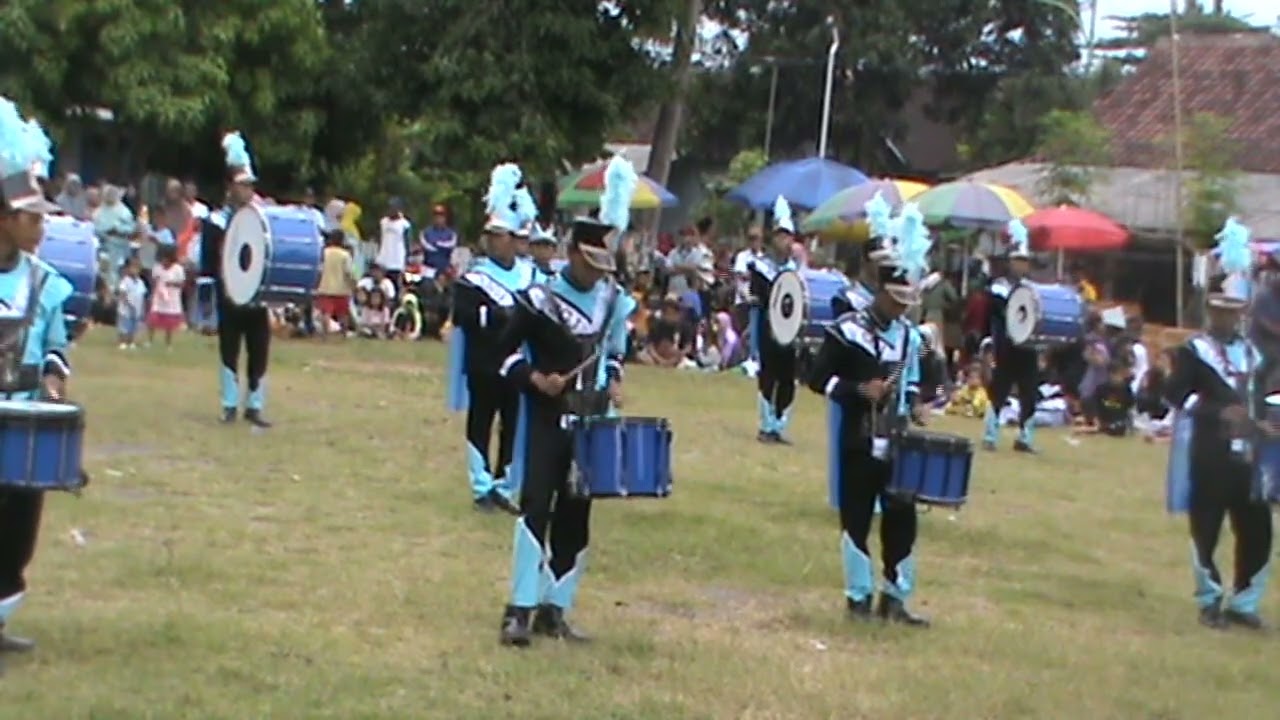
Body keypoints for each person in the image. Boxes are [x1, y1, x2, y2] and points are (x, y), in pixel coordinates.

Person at [493, 214, 633, 646]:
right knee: (537, 505)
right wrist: (536, 379)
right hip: (546, 418)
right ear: (572, 253)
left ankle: (556, 608)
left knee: (578, 514)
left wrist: (613, 379)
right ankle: (519, 608)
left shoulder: (614, 302)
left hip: (590, 419)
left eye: (603, 266)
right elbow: (501, 354)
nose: (597, 274)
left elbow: (612, 354)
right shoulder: (537, 298)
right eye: (590, 263)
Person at [806, 201, 932, 627]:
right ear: (879, 291)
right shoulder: (846, 331)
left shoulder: (910, 338)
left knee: (902, 521)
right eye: (894, 301)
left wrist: (914, 401)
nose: (900, 310)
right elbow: (816, 379)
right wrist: (859, 389)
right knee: (856, 519)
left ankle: (896, 597)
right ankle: (857, 597)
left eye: (905, 303)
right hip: (858, 440)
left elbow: (912, 378)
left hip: (896, 440)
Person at [0, 96, 77, 655]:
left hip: (23, 417)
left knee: (18, 532)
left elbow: (55, 346)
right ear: (5, 218)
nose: (41, 229)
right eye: (32, 219)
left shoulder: (47, 282)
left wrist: (52, 380)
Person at [1164, 271, 1272, 629]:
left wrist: (1265, 419)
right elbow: (1175, 396)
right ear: (1210, 311)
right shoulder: (1193, 351)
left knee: (1258, 528)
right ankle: (1209, 600)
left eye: (1233, 310)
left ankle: (1244, 601)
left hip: (1250, 453)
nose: (1226, 317)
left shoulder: (1254, 354)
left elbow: (1262, 396)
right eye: (1219, 310)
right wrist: (1215, 410)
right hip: (1208, 449)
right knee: (1207, 526)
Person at [447, 166, 535, 514]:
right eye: (491, 235)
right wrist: (493, 316)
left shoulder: (529, 275)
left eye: (501, 235)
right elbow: (463, 317)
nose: (494, 240)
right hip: (484, 364)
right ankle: (481, 484)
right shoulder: (474, 278)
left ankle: (503, 483)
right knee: (480, 424)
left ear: (513, 239)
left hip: (518, 365)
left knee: (513, 426)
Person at [199, 131, 272, 427]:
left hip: (256, 297)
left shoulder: (261, 220)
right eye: (243, 186)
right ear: (230, 187)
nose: (248, 192)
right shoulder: (215, 221)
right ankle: (229, 404)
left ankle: (254, 405)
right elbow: (208, 263)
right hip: (228, 296)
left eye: (250, 187)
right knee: (229, 352)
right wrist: (207, 303)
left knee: (259, 351)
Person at [747, 196, 801, 443]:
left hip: (789, 330)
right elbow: (760, 297)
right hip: (767, 328)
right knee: (768, 375)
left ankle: (780, 425)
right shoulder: (760, 267)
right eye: (781, 236)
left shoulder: (795, 270)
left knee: (787, 378)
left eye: (789, 237)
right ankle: (766, 424)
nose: (785, 242)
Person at [982, 219, 1039, 453]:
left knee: (1029, 393)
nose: (1021, 266)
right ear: (1009, 262)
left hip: (1028, 348)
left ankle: (1025, 438)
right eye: (1017, 260)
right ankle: (990, 435)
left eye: (1024, 261)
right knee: (998, 390)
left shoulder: (1032, 290)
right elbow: (1000, 312)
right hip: (1005, 348)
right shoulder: (998, 287)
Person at [116, 257, 147, 349]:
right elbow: (122, 293)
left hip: (137, 309)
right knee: (124, 326)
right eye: (133, 267)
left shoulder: (140, 282)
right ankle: (122, 341)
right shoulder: (125, 281)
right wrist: (127, 303)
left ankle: (131, 341)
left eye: (137, 268)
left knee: (134, 327)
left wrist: (143, 308)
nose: (135, 270)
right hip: (126, 309)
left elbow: (143, 295)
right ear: (127, 269)